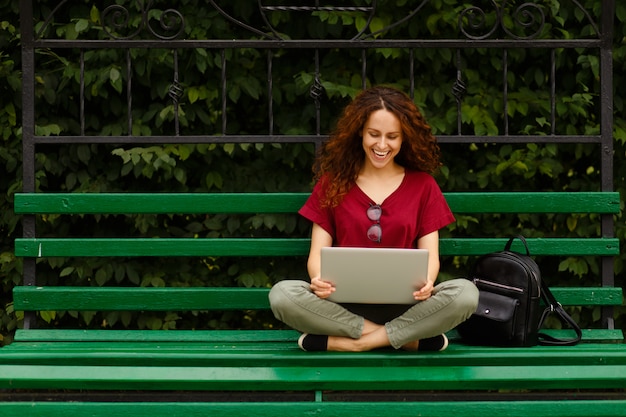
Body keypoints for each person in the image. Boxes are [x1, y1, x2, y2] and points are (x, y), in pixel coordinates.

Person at [269, 86, 478, 352]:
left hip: (407, 307)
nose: (382, 145)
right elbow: (316, 256)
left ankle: (355, 344)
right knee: (282, 295)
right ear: (360, 133)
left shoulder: (423, 185)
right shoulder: (332, 183)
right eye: (374, 134)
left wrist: (427, 282)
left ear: (404, 139)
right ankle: (405, 340)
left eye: (392, 136)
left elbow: (431, 257)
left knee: (466, 294)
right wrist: (318, 279)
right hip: (341, 307)